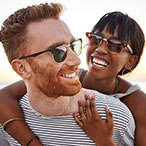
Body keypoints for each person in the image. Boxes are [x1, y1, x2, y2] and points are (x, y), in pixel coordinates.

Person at [0, 3, 136, 146]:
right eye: (58, 51)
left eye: (73, 46)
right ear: (22, 68)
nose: (76, 60)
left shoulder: (114, 117)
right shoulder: (5, 122)